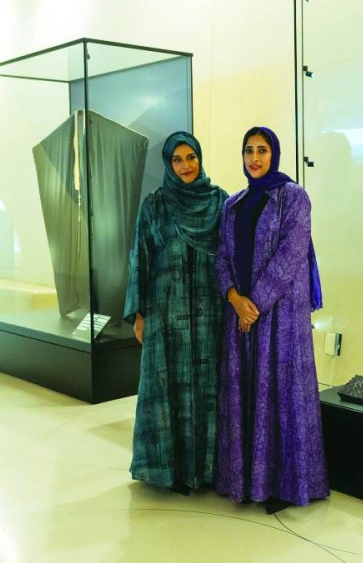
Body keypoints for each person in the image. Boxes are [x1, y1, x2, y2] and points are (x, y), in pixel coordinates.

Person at [215, 126, 328, 513]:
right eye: (248, 150)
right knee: (246, 393)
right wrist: (234, 298)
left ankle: (286, 484)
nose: (254, 158)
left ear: (274, 154)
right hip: (241, 316)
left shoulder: (293, 197)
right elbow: (221, 255)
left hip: (280, 317)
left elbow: (291, 253)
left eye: (262, 150)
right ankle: (247, 481)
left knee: (282, 393)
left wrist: (255, 304)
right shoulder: (233, 203)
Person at [124, 131, 228, 495]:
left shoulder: (220, 202)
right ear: (168, 164)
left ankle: (210, 470)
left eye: (191, 157)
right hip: (166, 315)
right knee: (167, 389)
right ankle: (169, 471)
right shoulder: (155, 205)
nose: (186, 166)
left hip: (211, 315)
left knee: (210, 390)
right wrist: (139, 314)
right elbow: (139, 257)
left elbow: (232, 258)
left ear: (200, 158)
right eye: (177, 160)